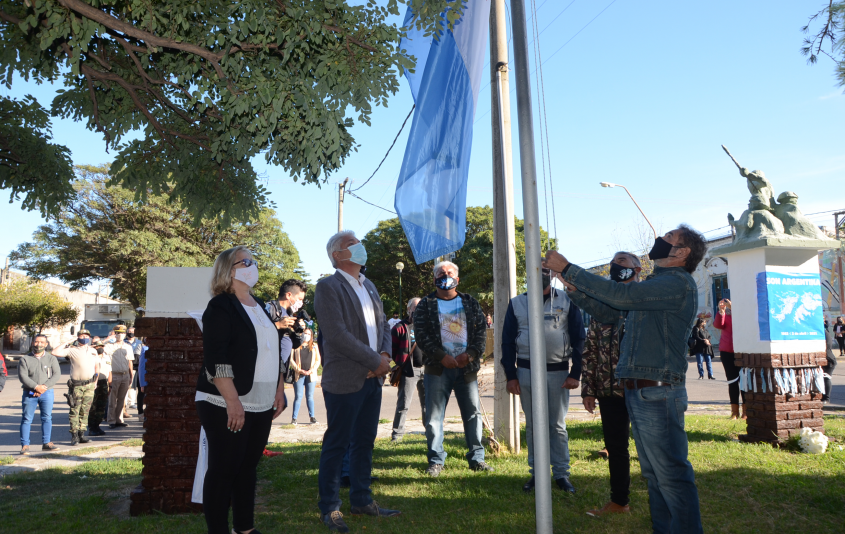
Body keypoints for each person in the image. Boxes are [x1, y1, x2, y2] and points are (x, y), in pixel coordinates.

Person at [545, 225, 707, 534]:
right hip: (640, 390)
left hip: (657, 392)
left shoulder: (676, 283)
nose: (661, 239)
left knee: (671, 474)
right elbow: (611, 312)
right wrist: (574, 287)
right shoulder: (658, 285)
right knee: (655, 474)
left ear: (682, 253)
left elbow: (620, 295)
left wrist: (568, 268)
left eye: (669, 238)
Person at [195, 245, 287, 534]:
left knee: (247, 468)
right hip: (224, 401)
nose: (253, 265)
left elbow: (271, 351)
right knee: (224, 470)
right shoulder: (221, 306)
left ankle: (244, 529)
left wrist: (279, 388)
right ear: (228, 269)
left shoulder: (259, 305)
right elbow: (216, 358)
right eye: (245, 261)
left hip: (261, 401)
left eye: (253, 260)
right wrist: (233, 401)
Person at [315, 230, 398, 533]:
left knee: (364, 442)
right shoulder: (328, 287)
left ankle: (362, 500)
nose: (360, 246)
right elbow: (336, 334)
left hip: (372, 378)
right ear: (337, 255)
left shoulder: (370, 285)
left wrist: (385, 354)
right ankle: (330, 507)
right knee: (337, 444)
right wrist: (374, 361)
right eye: (352, 243)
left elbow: (384, 323)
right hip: (346, 378)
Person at [501, 264, 585, 493]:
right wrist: (511, 375)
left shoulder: (568, 301)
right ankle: (537, 474)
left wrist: (575, 373)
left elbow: (579, 339)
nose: (541, 275)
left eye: (545, 271)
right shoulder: (517, 303)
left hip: (558, 373)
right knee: (534, 425)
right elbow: (507, 342)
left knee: (556, 425)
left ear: (553, 275)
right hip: (526, 372)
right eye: (535, 271)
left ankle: (561, 474)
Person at [415, 261, 491, 477]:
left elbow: (481, 334)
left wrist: (471, 355)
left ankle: (477, 459)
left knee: (473, 414)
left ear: (457, 279)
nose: (445, 276)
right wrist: (441, 357)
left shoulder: (470, 302)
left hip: (467, 368)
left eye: (449, 273)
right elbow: (421, 336)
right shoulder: (425, 304)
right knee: (434, 418)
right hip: (437, 370)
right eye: (440, 273)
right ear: (434, 279)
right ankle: (436, 461)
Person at [579, 252, 642, 516]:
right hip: (609, 390)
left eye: (623, 262)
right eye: (614, 263)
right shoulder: (602, 306)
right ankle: (619, 501)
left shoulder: (647, 301)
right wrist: (588, 389)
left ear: (637, 269)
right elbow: (590, 350)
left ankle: (666, 499)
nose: (617, 266)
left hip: (643, 388)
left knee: (651, 447)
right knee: (616, 447)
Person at [52, 329, 100, 445]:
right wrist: (69, 341)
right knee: (75, 411)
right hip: (77, 386)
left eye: (86, 336)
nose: (84, 337)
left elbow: (97, 367)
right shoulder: (72, 350)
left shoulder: (93, 350)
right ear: (78, 337)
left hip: (89, 385)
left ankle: (82, 434)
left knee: (85, 411)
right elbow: (55, 352)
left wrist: (95, 382)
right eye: (82, 335)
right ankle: (74, 435)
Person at [18, 334, 62, 454]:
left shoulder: (51, 358)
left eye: (42, 342)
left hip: (47, 392)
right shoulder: (25, 359)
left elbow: (56, 375)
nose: (39, 344)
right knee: (27, 419)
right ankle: (25, 445)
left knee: (47, 418)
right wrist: (36, 387)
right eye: (37, 342)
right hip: (29, 393)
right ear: (32, 343)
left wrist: (44, 387)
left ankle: (46, 443)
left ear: (46, 344)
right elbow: (23, 376)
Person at [391, 297, 426, 441]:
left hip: (427, 369)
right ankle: (397, 435)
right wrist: (401, 362)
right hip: (409, 371)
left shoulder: (426, 326)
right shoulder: (399, 327)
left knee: (427, 405)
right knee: (403, 405)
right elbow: (392, 350)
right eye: (416, 307)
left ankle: (430, 433)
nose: (418, 310)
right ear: (409, 309)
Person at [713, 298, 745, 420]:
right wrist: (721, 311)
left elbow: (743, 323)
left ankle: (745, 412)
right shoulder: (726, 316)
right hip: (726, 351)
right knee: (732, 381)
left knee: (744, 382)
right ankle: (734, 412)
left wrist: (733, 309)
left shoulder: (740, 316)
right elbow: (718, 325)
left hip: (741, 351)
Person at [104, 325, 134, 429]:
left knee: (122, 399)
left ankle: (119, 419)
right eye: (117, 333)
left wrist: (131, 375)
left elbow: (130, 361)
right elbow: (98, 346)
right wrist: (107, 339)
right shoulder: (109, 346)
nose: (119, 335)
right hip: (114, 374)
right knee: (112, 399)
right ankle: (111, 420)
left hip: (125, 375)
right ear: (115, 334)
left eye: (121, 333)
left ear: (125, 334)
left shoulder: (128, 346)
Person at [289, 328, 321, 425]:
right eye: (305, 333)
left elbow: (317, 360)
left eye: (308, 334)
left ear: (311, 336)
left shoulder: (314, 346)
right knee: (298, 396)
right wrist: (299, 370)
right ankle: (294, 419)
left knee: (310, 396)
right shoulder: (296, 345)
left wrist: (311, 370)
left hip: (311, 375)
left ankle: (312, 417)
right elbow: (291, 360)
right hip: (299, 375)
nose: (306, 335)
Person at [88, 339, 110, 436]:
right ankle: (92, 428)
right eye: (97, 347)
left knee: (101, 406)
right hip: (93, 382)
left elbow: (110, 371)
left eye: (101, 346)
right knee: (93, 407)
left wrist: (110, 384)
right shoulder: (89, 356)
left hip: (104, 382)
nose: (99, 348)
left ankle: (97, 426)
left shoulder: (107, 358)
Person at [822, 327, 837, 405]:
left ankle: (826, 398)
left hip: (829, 359)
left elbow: (828, 345)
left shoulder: (825, 333)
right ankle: (822, 396)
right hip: (822, 359)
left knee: (826, 378)